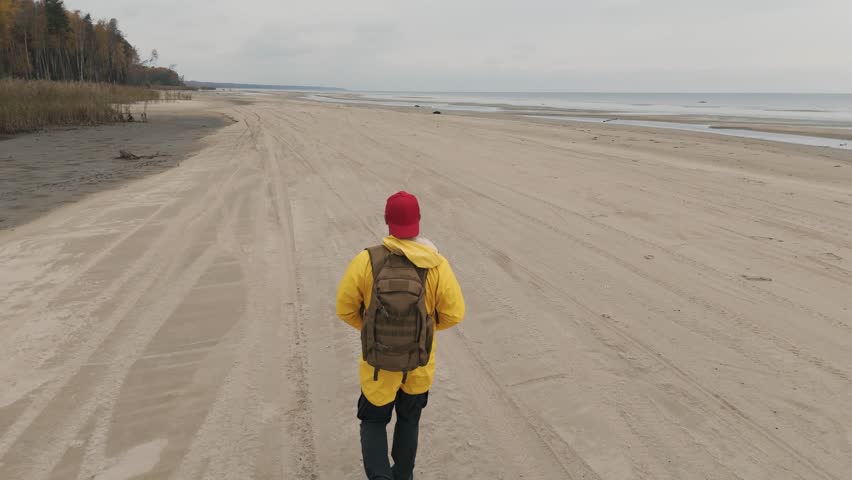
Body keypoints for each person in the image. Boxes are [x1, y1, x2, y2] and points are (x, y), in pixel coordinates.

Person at [336, 191, 465, 480]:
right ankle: (403, 475)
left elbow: (344, 310)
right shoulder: (436, 264)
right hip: (418, 365)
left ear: (387, 221)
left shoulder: (366, 260)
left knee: (373, 421)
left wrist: (371, 330)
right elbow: (454, 314)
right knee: (409, 419)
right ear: (418, 220)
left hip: (378, 367)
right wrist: (425, 331)